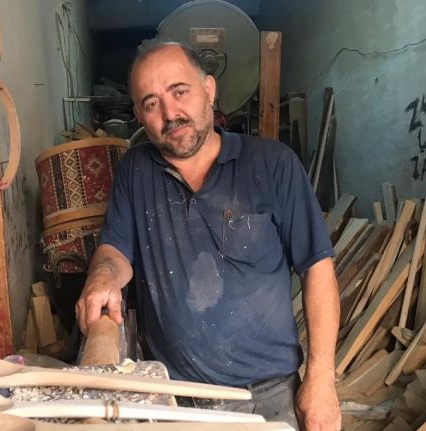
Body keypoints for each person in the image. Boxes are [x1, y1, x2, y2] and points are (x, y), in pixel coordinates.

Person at [76, 42, 341, 431]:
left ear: (209, 89)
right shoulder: (135, 171)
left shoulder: (273, 164)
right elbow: (116, 250)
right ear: (138, 116)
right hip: (175, 401)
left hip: (266, 399)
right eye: (151, 103)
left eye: (180, 91)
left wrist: (321, 379)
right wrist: (102, 277)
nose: (170, 113)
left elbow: (317, 268)